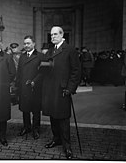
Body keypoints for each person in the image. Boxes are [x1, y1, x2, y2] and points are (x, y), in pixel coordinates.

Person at [41, 26, 81, 159]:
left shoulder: (69, 49)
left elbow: (76, 71)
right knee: (53, 115)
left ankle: (67, 146)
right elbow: (43, 67)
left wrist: (70, 89)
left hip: (62, 90)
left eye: (55, 34)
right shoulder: (50, 51)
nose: (52, 37)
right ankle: (56, 138)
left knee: (63, 118)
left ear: (62, 35)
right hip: (50, 89)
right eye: (51, 35)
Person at [16, 35, 43, 140]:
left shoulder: (40, 56)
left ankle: (36, 129)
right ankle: (26, 127)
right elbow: (19, 72)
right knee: (25, 109)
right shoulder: (22, 57)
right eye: (25, 43)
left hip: (35, 87)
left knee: (36, 110)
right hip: (23, 87)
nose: (26, 45)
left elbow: (42, 72)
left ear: (34, 44)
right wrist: (17, 86)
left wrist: (34, 82)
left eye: (28, 43)